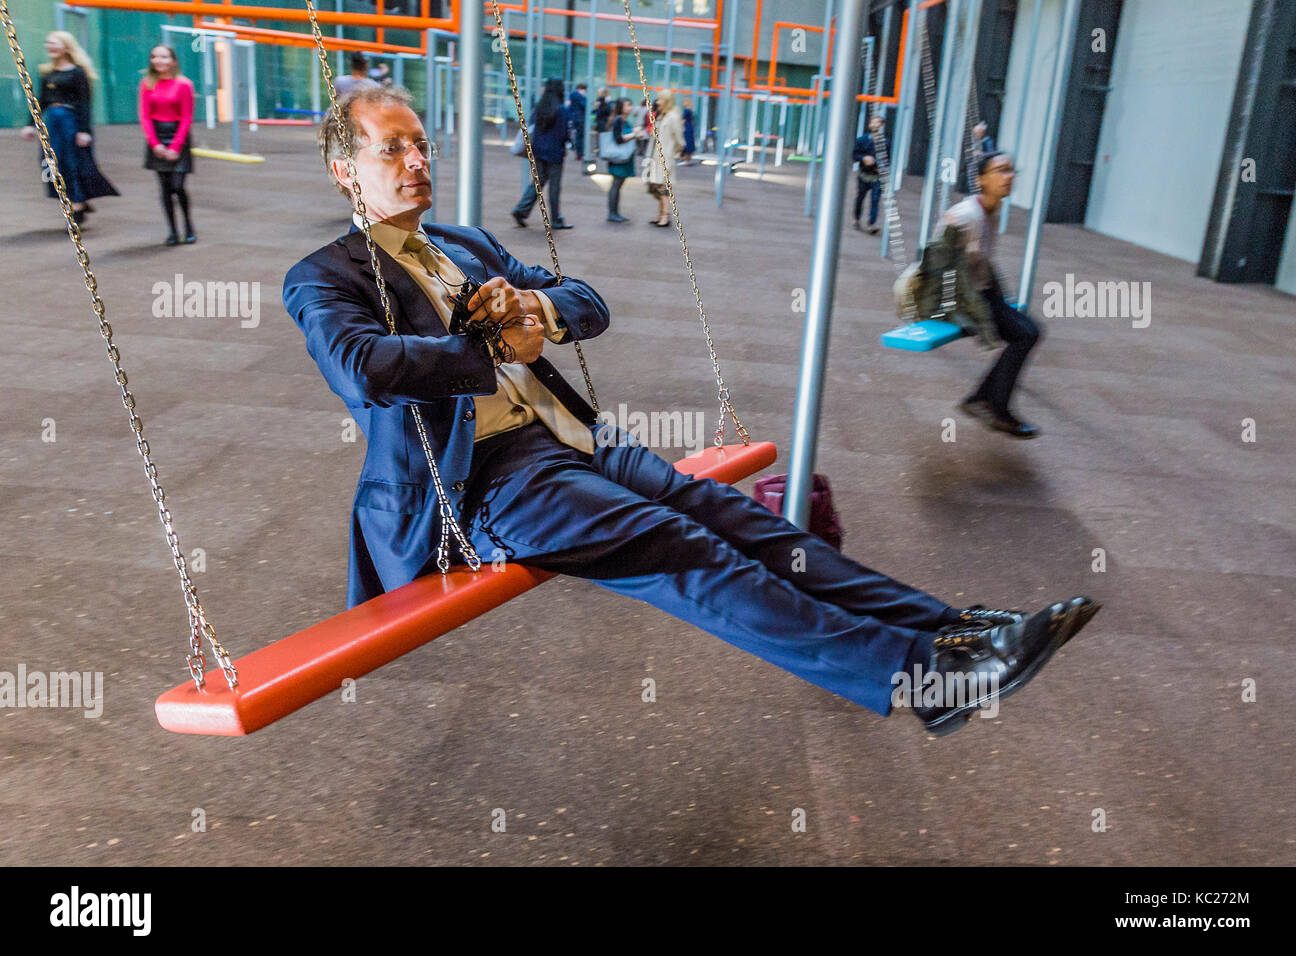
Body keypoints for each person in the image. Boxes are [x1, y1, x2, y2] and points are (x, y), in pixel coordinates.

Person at [282, 86, 1100, 736]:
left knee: (741, 521)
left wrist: (536, 310)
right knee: (682, 544)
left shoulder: (464, 242)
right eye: (392, 148)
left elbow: (588, 300)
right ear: (344, 170)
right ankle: (921, 677)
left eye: (421, 142)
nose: (417, 159)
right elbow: (362, 368)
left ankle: (954, 630)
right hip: (483, 484)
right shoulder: (326, 277)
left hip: (572, 437)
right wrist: (490, 348)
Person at [947, 152, 1043, 439]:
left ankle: (983, 401)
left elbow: (981, 260)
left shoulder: (989, 210)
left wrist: (999, 295)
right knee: (1026, 333)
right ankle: (992, 406)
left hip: (979, 290)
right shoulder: (966, 216)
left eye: (1011, 170)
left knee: (1026, 332)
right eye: (1000, 170)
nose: (1009, 176)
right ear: (980, 180)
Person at [20, 31, 118, 225]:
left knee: (74, 164)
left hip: (71, 122)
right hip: (53, 124)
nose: (50, 47)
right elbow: (39, 102)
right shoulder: (47, 73)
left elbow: (84, 103)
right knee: (52, 164)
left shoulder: (78, 73)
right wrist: (30, 125)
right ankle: (77, 199)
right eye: (48, 43)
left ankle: (78, 206)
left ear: (66, 47)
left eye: (55, 43)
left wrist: (84, 131)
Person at [138, 45, 196, 246]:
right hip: (157, 135)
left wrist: (176, 146)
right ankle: (172, 231)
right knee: (164, 189)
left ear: (172, 61)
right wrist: (155, 144)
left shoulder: (184, 84)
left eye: (163, 57)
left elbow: (187, 117)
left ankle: (188, 226)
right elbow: (145, 116)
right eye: (154, 56)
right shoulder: (147, 84)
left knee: (178, 186)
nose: (158, 60)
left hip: (178, 135)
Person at [511, 77, 572, 230]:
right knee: (554, 187)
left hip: (538, 150)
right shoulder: (561, 109)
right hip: (555, 152)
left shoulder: (540, 106)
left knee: (538, 182)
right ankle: (556, 219)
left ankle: (521, 209)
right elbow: (565, 133)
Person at [643, 90, 685, 228]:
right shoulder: (662, 115)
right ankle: (661, 214)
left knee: (662, 186)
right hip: (655, 155)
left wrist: (675, 153)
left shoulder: (673, 117)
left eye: (661, 99)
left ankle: (664, 216)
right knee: (656, 185)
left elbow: (679, 139)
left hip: (665, 156)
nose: (658, 102)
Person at [603, 98, 641, 223]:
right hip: (619, 157)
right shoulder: (618, 120)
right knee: (616, 184)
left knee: (617, 185)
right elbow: (618, 139)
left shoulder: (622, 120)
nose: (630, 107)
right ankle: (612, 213)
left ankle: (614, 212)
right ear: (622, 107)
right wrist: (634, 134)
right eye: (628, 105)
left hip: (623, 157)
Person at [852, 114, 884, 234]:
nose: (875, 125)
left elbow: (888, 159)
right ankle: (857, 219)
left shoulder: (885, 142)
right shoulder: (861, 140)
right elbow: (854, 155)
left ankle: (872, 223)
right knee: (860, 198)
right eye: (873, 122)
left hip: (877, 176)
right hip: (864, 175)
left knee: (875, 200)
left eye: (878, 122)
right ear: (870, 124)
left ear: (881, 125)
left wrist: (879, 166)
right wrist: (863, 158)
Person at [567, 82, 588, 167]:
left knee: (576, 135)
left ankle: (576, 150)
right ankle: (580, 153)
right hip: (580, 119)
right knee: (580, 136)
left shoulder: (572, 95)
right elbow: (584, 106)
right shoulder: (580, 96)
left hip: (574, 118)